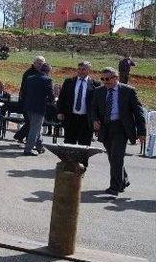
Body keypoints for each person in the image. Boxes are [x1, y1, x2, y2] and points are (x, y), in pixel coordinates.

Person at [90, 67, 146, 196]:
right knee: (113, 157)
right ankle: (123, 179)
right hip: (105, 128)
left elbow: (138, 112)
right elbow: (93, 109)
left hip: (121, 128)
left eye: (108, 79)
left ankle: (115, 187)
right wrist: (95, 120)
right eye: (103, 79)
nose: (105, 81)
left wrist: (141, 132)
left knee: (116, 157)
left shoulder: (128, 91)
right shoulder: (99, 91)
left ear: (116, 78)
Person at [57, 61, 100, 147]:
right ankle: (68, 161)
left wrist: (96, 120)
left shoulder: (95, 84)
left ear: (88, 70)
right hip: (71, 117)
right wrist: (59, 112)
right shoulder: (69, 82)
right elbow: (61, 98)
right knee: (69, 144)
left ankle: (82, 161)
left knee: (84, 145)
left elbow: (97, 105)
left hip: (86, 120)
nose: (80, 71)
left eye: (83, 69)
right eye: (79, 69)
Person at [23, 63, 54, 156]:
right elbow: (51, 95)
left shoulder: (30, 78)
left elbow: (25, 91)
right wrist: (49, 101)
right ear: (48, 71)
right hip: (39, 107)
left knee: (37, 127)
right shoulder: (48, 80)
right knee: (34, 128)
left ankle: (39, 146)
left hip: (29, 106)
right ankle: (28, 149)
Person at [13, 56, 46, 143]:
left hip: (32, 103)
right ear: (34, 63)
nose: (40, 65)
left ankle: (20, 137)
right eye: (39, 63)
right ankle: (27, 140)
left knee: (30, 123)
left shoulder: (40, 72)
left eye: (42, 64)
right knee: (31, 123)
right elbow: (25, 89)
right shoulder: (29, 73)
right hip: (27, 102)